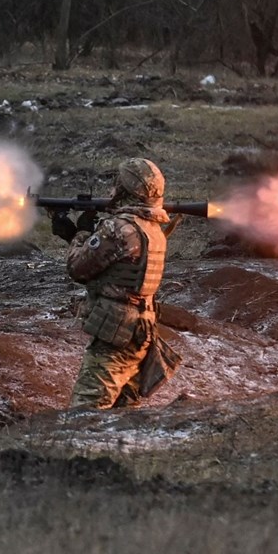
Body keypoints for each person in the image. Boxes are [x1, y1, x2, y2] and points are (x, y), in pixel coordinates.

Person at [51, 158, 181, 409]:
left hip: (116, 332)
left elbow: (78, 269)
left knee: (87, 411)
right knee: (122, 412)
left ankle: (82, 448)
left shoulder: (119, 229)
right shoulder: (152, 229)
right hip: (140, 330)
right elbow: (114, 266)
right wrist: (77, 236)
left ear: (125, 189)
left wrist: (81, 232)